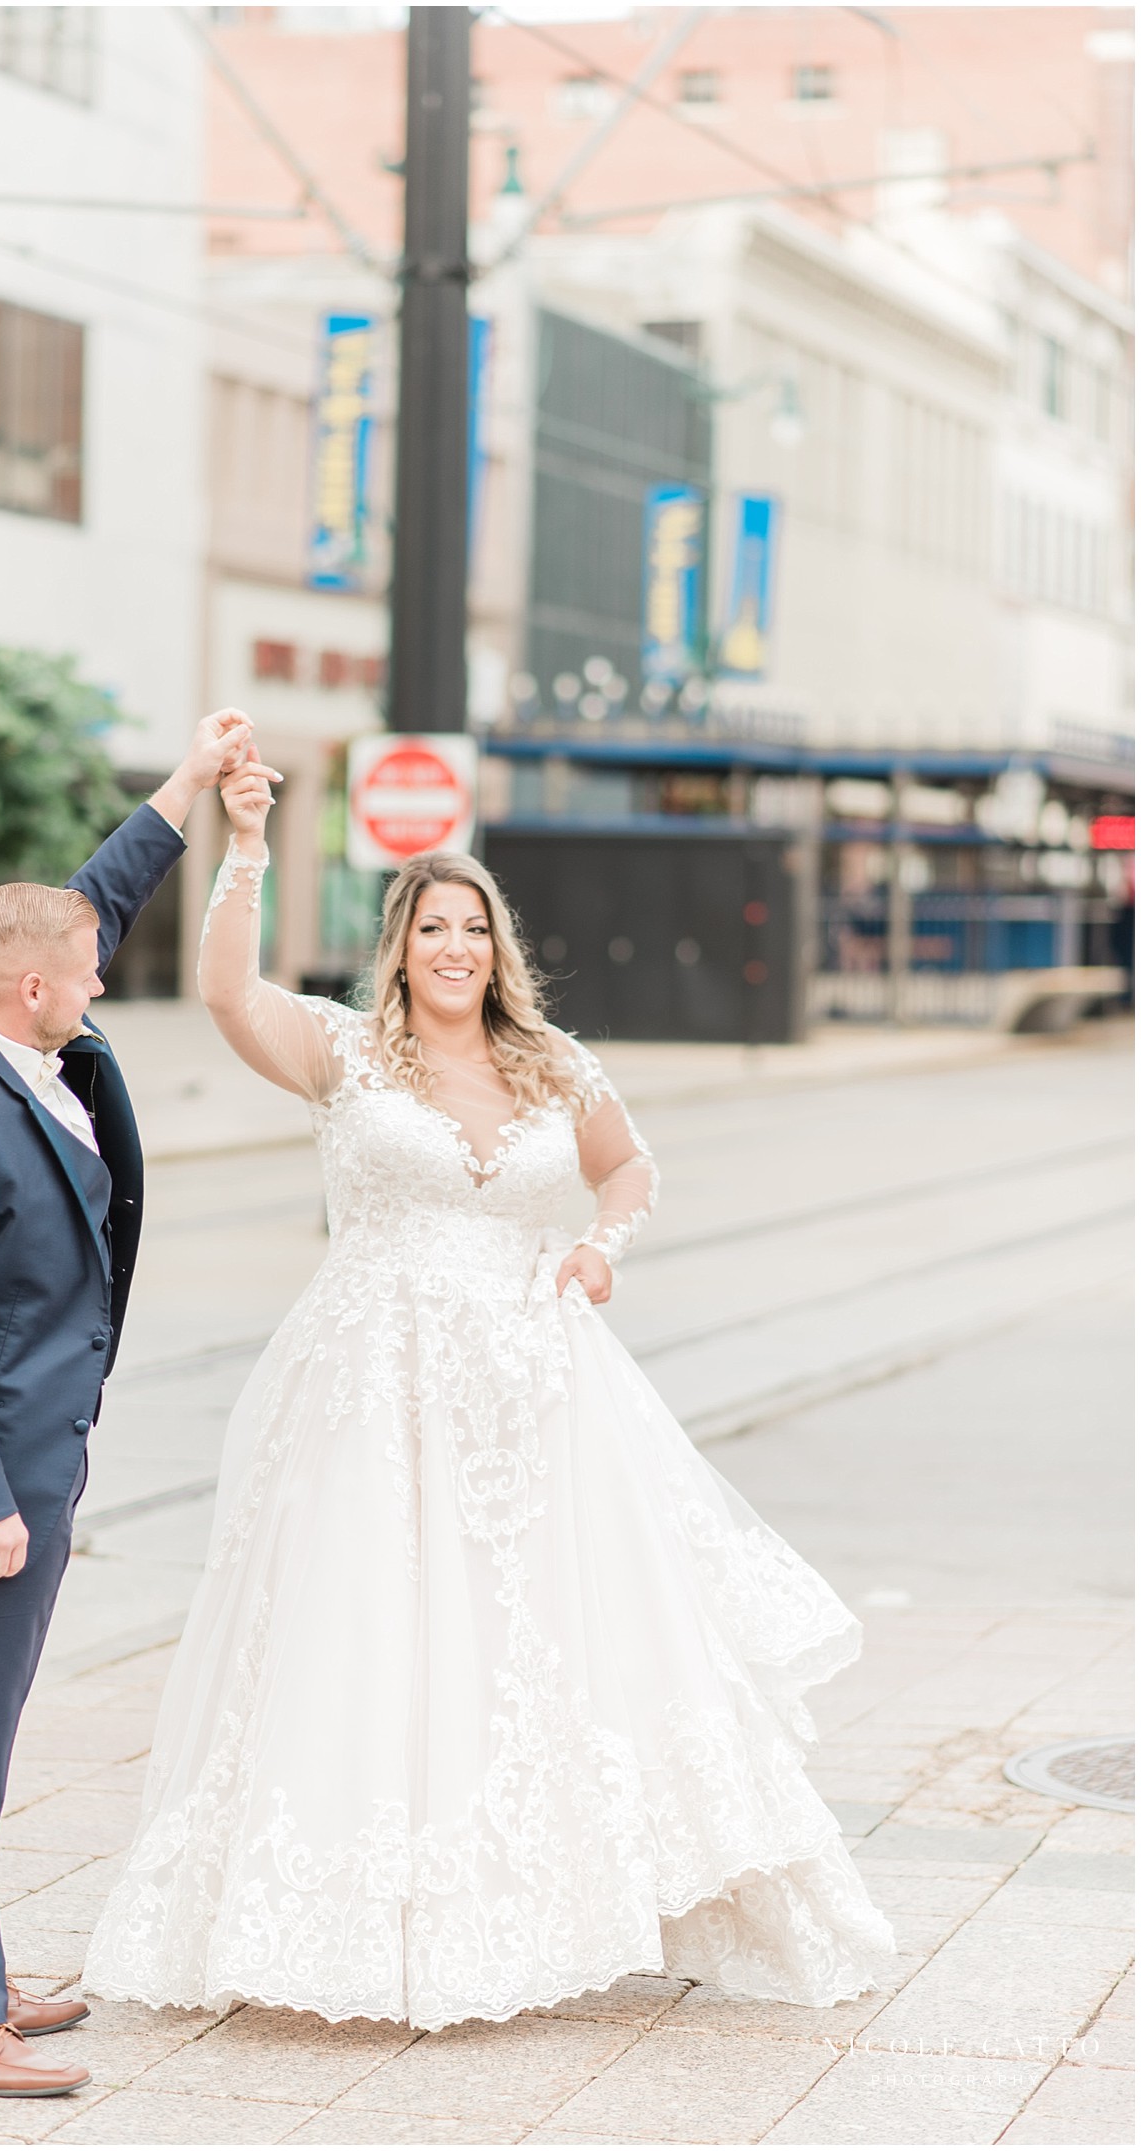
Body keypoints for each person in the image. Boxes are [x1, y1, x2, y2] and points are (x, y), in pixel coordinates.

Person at [84, 745, 900, 2028]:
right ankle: (370, 1923)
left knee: (544, 1636)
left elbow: (631, 1171)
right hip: (372, 1385)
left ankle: (570, 1897)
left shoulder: (554, 1064)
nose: (453, 947)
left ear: (496, 947)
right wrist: (244, 838)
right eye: (430, 928)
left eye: (473, 927)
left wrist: (596, 1246)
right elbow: (228, 989)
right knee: (372, 1633)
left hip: (534, 1395)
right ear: (399, 947)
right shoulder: (345, 1054)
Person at [0, 709, 268, 2098]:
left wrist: (188, 784)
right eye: (84, 972)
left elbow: (91, 904)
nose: (101, 977)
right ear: (32, 992)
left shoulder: (10, 1025)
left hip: (28, 1458)